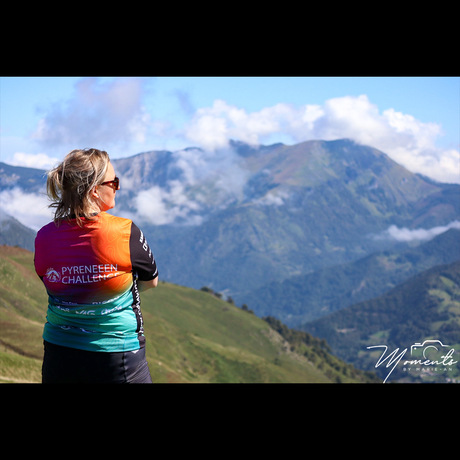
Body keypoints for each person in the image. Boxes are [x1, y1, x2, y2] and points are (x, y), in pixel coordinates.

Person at [34, 148, 158, 383]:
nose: (117, 187)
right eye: (114, 182)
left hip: (58, 351)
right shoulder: (125, 231)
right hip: (117, 353)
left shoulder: (43, 236)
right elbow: (151, 281)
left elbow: (51, 282)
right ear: (94, 191)